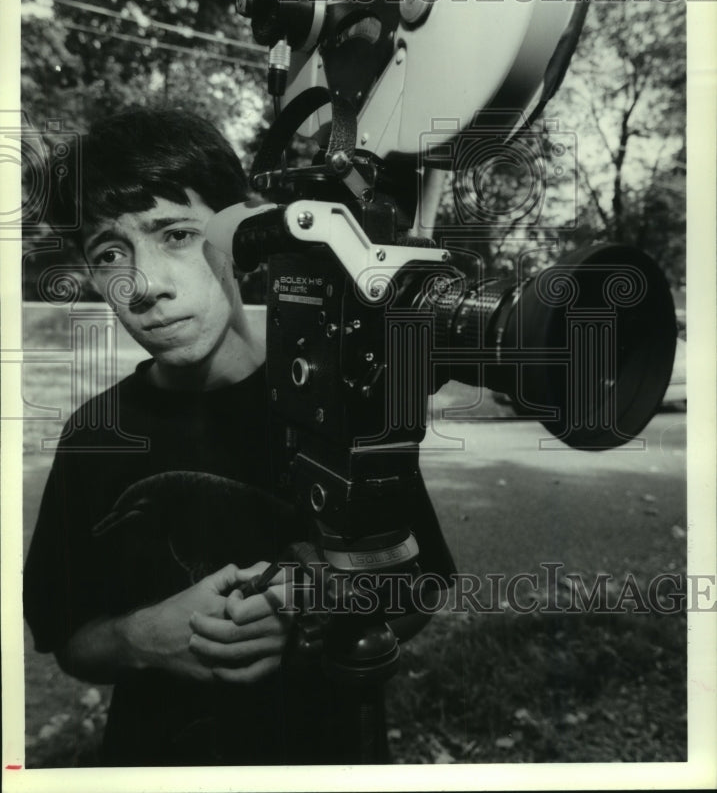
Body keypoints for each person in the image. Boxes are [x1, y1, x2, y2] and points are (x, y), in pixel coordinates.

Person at [23, 106, 455, 766]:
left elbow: (419, 586)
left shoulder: (344, 404)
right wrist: (142, 637)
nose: (142, 287)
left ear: (247, 233)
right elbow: (67, 638)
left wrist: (316, 622)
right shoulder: (95, 435)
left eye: (174, 234)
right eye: (109, 251)